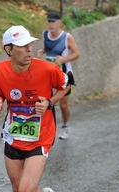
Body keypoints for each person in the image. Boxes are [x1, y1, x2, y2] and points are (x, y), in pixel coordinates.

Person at [0, 25, 70, 192]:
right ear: (9, 49)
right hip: (13, 135)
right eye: (22, 46)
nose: (29, 49)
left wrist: (50, 102)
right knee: (18, 191)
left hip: (40, 135)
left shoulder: (47, 69)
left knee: (27, 190)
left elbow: (67, 85)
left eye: (30, 44)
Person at [37, 11, 80, 140]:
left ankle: (66, 126)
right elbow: (49, 48)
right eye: (49, 22)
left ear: (59, 23)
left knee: (62, 105)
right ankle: (44, 129)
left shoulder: (67, 37)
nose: (51, 24)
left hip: (65, 74)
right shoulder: (45, 35)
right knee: (45, 103)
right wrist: (42, 51)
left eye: (53, 22)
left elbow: (77, 53)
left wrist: (63, 60)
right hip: (48, 74)